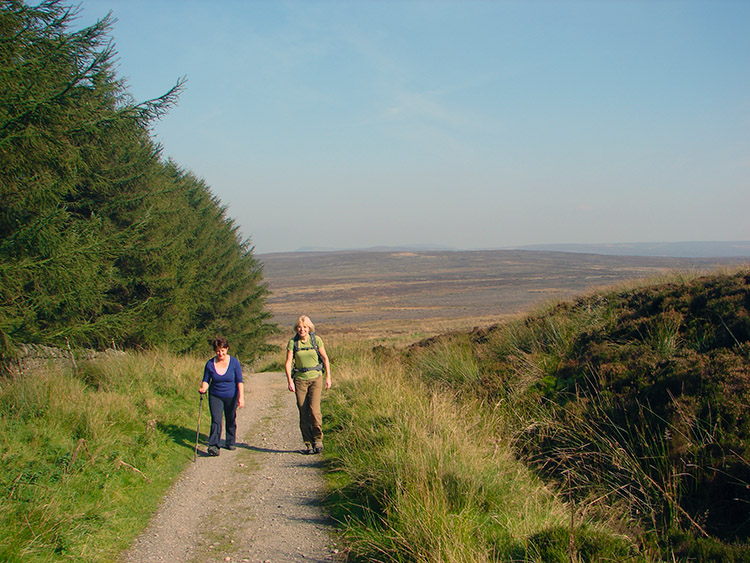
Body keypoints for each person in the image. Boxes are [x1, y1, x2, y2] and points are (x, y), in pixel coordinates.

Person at [285, 315, 331, 454]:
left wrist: (328, 376)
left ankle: (318, 440)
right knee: (303, 411)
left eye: (305, 327)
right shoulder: (293, 342)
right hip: (300, 380)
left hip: (316, 378)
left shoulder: (316, 340)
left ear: (309, 328)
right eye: (299, 327)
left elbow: (325, 358)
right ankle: (308, 443)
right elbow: (288, 362)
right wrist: (289, 381)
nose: (302, 330)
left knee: (314, 411)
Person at [199, 337, 244, 456]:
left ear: (227, 349)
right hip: (215, 395)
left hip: (231, 395)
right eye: (218, 351)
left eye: (223, 350)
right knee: (216, 420)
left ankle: (230, 441)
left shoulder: (234, 362)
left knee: (230, 418)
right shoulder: (210, 364)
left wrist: (241, 397)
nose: (220, 353)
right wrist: (204, 388)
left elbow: (239, 381)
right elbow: (206, 379)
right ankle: (214, 445)